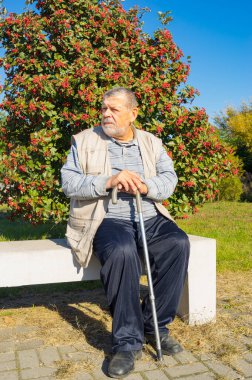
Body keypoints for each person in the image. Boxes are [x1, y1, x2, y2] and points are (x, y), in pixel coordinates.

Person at [61, 87, 190, 378]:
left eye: (114, 109)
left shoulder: (151, 142)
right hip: (105, 219)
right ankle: (127, 342)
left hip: (149, 216)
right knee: (121, 252)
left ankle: (155, 326)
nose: (106, 113)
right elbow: (69, 182)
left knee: (177, 243)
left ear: (132, 114)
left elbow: (169, 179)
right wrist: (109, 180)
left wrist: (145, 187)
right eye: (104, 108)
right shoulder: (84, 141)